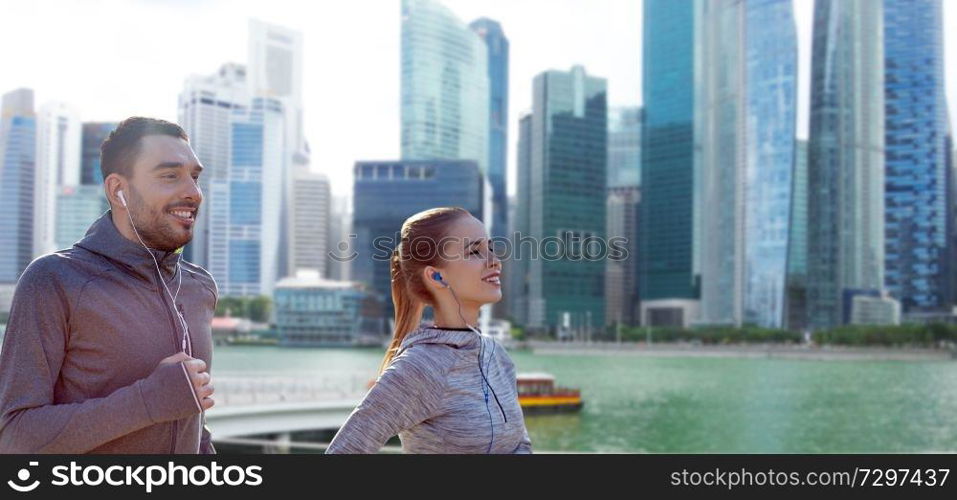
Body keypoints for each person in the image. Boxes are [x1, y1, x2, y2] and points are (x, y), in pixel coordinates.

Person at [0, 117, 217, 453]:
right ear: (119, 190)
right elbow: (14, 438)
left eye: (195, 177)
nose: (193, 192)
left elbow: (192, 424)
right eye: (170, 175)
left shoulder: (199, 286)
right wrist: (148, 401)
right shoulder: (54, 280)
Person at [326, 207, 532, 454]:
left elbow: (520, 443)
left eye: (490, 248)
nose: (495, 261)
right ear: (436, 276)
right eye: (475, 251)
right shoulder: (421, 366)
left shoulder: (496, 355)